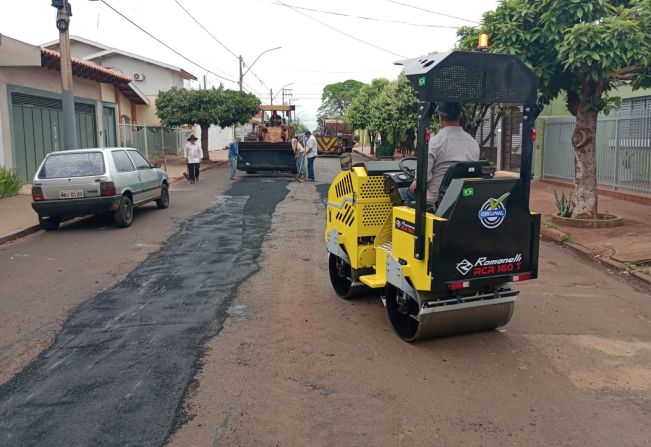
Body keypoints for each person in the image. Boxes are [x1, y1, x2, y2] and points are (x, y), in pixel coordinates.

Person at [409, 102, 479, 203]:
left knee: (408, 192)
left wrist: (413, 185)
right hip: (463, 198)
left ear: (441, 117)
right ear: (459, 117)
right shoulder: (473, 143)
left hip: (436, 199)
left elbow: (423, 178)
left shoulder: (434, 143)